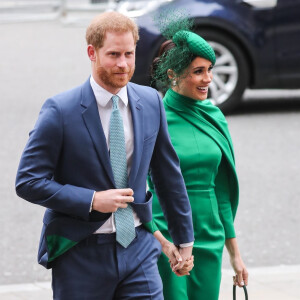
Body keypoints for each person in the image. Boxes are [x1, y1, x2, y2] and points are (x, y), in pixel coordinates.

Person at [15, 12, 194, 300]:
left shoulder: (151, 102)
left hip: (138, 248)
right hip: (80, 253)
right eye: (113, 54)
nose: (123, 64)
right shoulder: (60, 111)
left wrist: (184, 239)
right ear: (92, 52)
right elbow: (27, 181)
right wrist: (92, 200)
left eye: (129, 54)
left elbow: (167, 174)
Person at [147, 15, 249, 300]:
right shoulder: (154, 118)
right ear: (172, 75)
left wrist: (235, 256)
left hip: (209, 232)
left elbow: (222, 191)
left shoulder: (215, 116)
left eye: (210, 70)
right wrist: (161, 240)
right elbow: (142, 186)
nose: (208, 80)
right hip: (166, 234)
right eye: (198, 72)